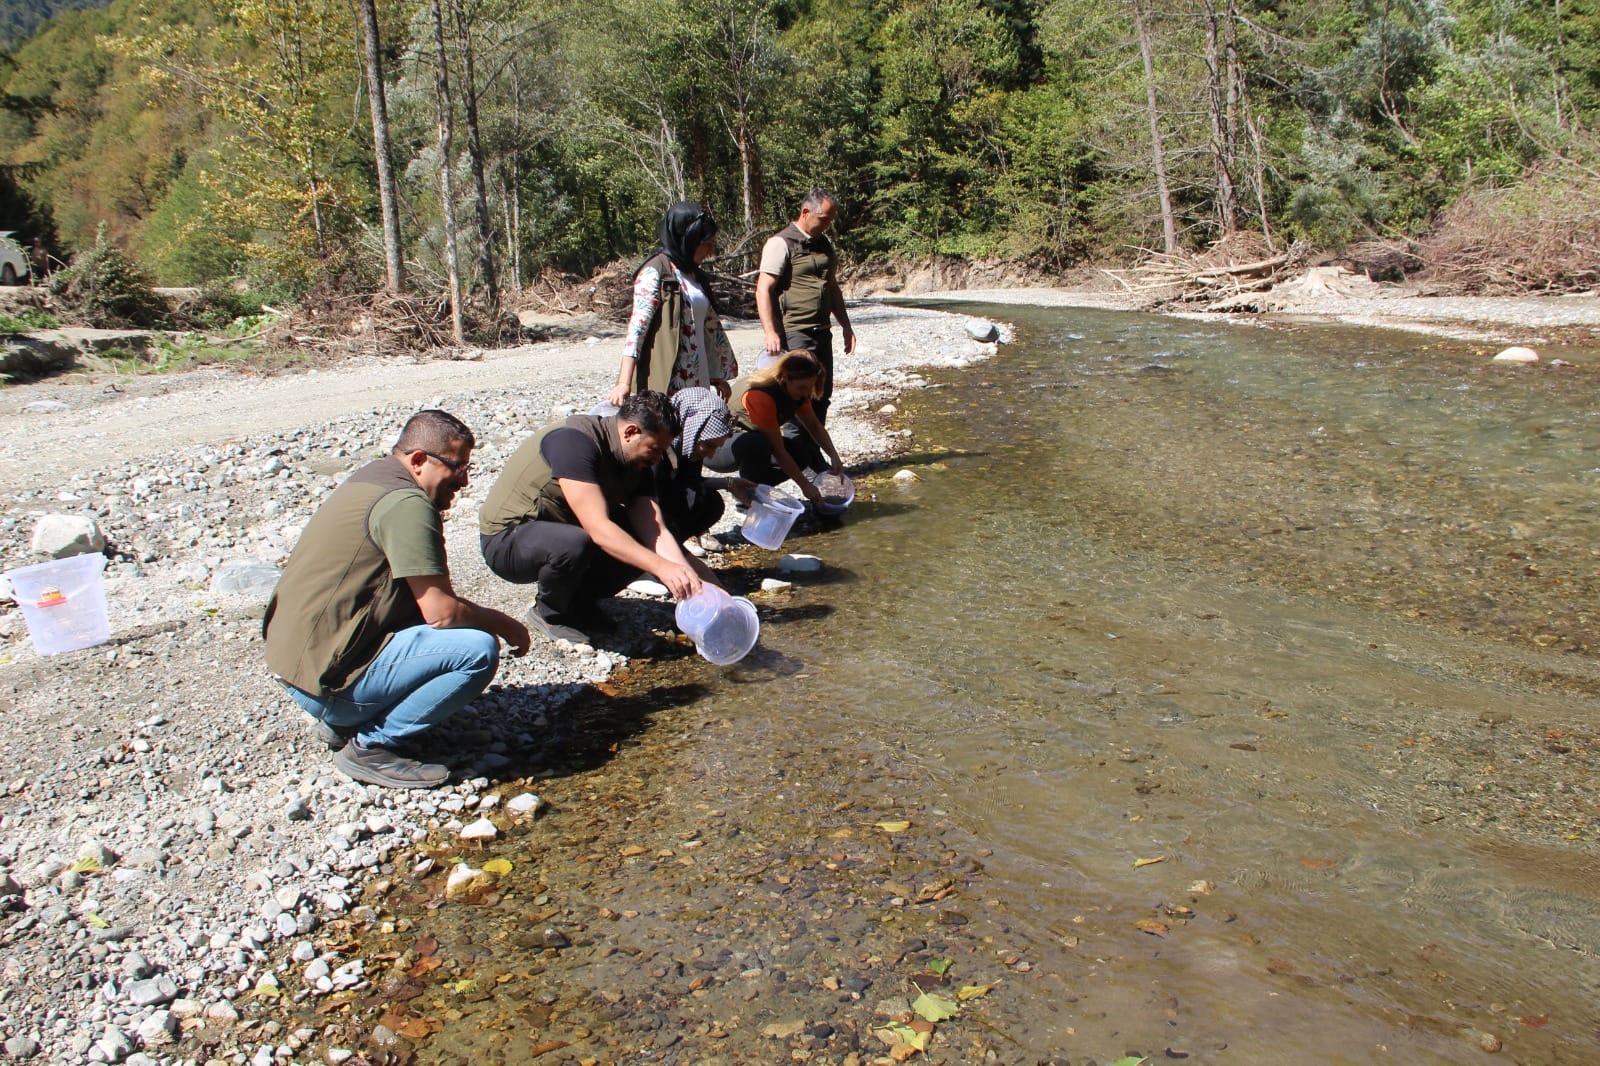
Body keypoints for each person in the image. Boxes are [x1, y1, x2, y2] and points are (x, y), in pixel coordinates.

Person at [263, 410, 531, 790]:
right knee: (477, 650)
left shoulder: (375, 477)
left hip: (300, 668)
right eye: (457, 468)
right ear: (419, 460)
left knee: (442, 628)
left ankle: (346, 721)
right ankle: (370, 747)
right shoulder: (407, 504)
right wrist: (506, 624)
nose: (464, 481)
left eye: (467, 468)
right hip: (323, 684)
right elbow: (442, 612)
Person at [479, 391, 721, 645]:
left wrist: (705, 587)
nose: (658, 458)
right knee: (575, 543)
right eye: (655, 448)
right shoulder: (574, 443)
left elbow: (654, 529)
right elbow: (599, 529)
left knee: (642, 534)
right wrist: (660, 567)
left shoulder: (638, 460)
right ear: (630, 432)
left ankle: (578, 603)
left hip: (562, 527)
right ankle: (550, 612)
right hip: (508, 539)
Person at [608, 201, 739, 407]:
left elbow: (703, 329)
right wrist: (624, 383)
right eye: (706, 243)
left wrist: (717, 376)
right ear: (689, 239)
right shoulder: (655, 271)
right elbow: (637, 330)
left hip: (699, 379)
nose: (711, 251)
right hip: (669, 382)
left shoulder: (694, 274)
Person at [756, 188, 855, 422]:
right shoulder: (781, 243)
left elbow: (832, 288)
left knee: (821, 394)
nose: (827, 225)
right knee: (797, 397)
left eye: (830, 220)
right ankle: (793, 445)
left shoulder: (824, 245)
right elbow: (763, 289)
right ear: (805, 212)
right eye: (823, 219)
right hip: (795, 333)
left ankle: (814, 444)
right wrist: (770, 332)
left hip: (822, 332)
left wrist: (846, 326)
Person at [707, 351, 845, 511]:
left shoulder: (797, 392)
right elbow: (778, 450)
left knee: (802, 454)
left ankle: (755, 489)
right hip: (715, 450)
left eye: (810, 387)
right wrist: (805, 486)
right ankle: (747, 501)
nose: (807, 393)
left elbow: (814, 426)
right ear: (785, 378)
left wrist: (834, 456)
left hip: (748, 441)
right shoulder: (760, 395)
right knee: (756, 443)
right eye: (802, 387)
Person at [655, 387, 755, 546]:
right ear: (691, 428)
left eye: (716, 448)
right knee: (692, 499)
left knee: (711, 502)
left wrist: (729, 484)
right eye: (709, 446)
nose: (711, 455)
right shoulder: (656, 452)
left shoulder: (689, 447)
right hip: (643, 519)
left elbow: (691, 480)